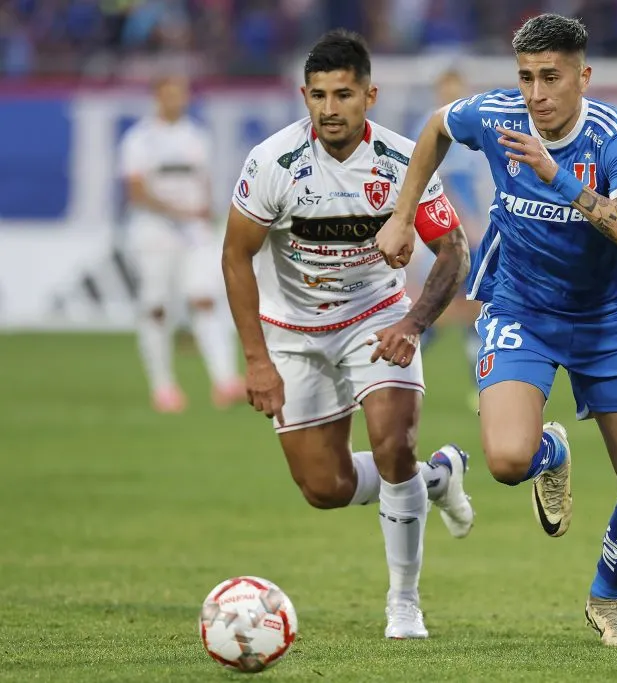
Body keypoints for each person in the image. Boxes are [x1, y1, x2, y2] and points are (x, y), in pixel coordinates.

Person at [376, 14, 617, 647]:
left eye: (551, 78)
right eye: (527, 77)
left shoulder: (616, 138)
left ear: (582, 77)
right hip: (521, 309)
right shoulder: (498, 114)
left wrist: (556, 178)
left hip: (608, 322)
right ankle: (550, 452)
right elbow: (434, 128)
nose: (537, 94)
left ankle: (606, 598)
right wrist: (402, 217)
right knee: (508, 460)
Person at [221, 29, 474, 640]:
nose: (329, 109)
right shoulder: (272, 162)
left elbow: (453, 251)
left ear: (370, 96)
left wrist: (413, 324)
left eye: (343, 95)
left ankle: (404, 605)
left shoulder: (399, 163)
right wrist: (256, 361)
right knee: (324, 488)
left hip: (376, 320)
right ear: (303, 97)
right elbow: (236, 257)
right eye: (318, 96)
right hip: (294, 332)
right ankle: (437, 476)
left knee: (393, 445)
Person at [119, 75, 246, 413]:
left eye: (181, 94)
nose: (177, 100)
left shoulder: (196, 136)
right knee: (158, 307)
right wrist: (179, 210)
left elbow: (203, 182)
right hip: (154, 232)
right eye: (170, 94)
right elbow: (136, 191)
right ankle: (163, 386)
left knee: (205, 299)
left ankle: (225, 380)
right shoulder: (139, 140)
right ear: (157, 97)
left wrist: (204, 215)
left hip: (193, 233)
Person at [406, 68, 486, 402]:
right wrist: (464, 222)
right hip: (446, 228)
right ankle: (399, 367)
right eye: (448, 91)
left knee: (475, 305)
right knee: (446, 306)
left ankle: (480, 385)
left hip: (470, 228)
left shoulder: (472, 127)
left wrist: (480, 218)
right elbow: (439, 181)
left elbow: (473, 183)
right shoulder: (433, 125)